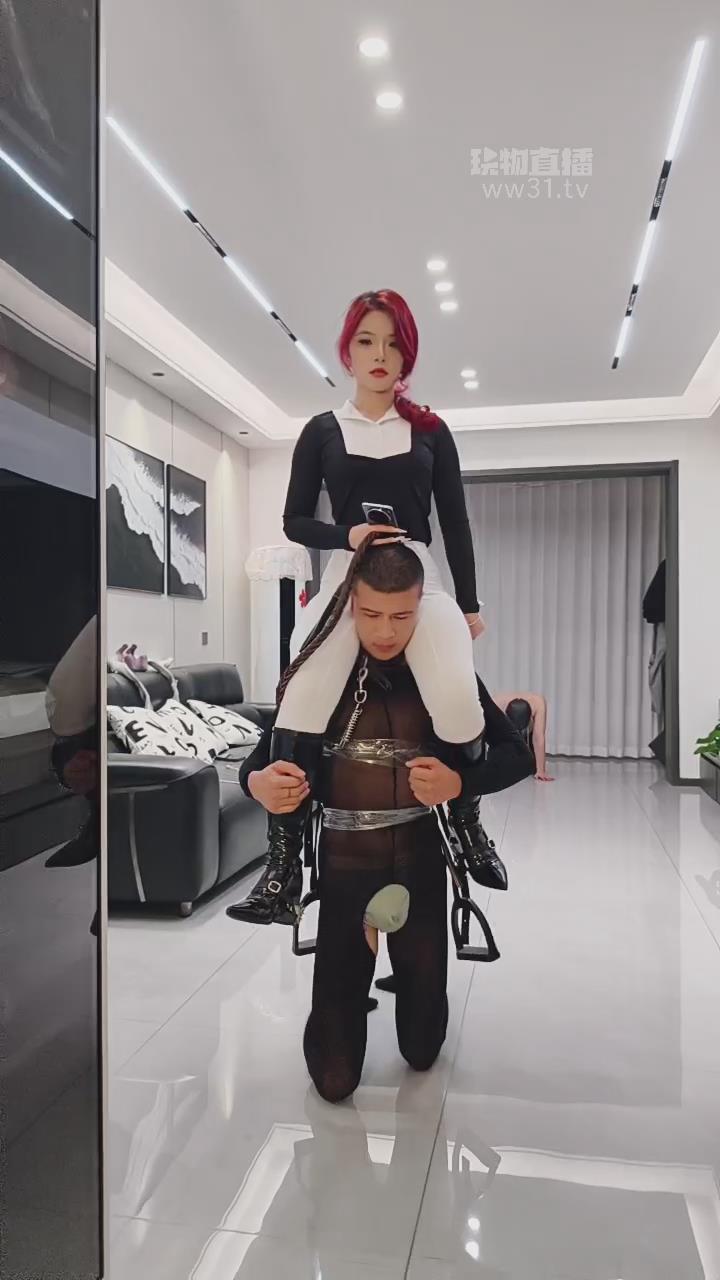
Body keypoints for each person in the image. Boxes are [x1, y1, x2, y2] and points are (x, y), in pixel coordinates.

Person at [227, 539, 533, 1102]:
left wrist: (459, 783)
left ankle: (408, 991)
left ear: (422, 607)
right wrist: (258, 784)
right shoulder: (324, 672)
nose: (386, 632)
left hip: (422, 859)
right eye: (370, 615)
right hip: (345, 865)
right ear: (350, 605)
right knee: (334, 1079)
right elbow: (261, 758)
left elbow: (519, 755)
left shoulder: (440, 672)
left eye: (401, 616)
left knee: (422, 1048)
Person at [241, 288, 505, 921]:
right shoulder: (321, 431)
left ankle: (466, 821)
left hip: (419, 579)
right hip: (346, 575)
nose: (379, 354)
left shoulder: (431, 430)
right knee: (302, 694)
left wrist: (468, 604)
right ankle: (282, 866)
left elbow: (456, 522)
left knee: (455, 693)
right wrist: (348, 534)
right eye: (366, 341)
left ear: (407, 353)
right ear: (348, 352)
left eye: (392, 343)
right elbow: (295, 521)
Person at [494, 692, 554, 782]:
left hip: (529, 731)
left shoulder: (538, 703)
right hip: (506, 733)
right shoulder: (496, 703)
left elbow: (538, 737)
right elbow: (491, 736)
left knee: (533, 768)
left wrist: (541, 771)